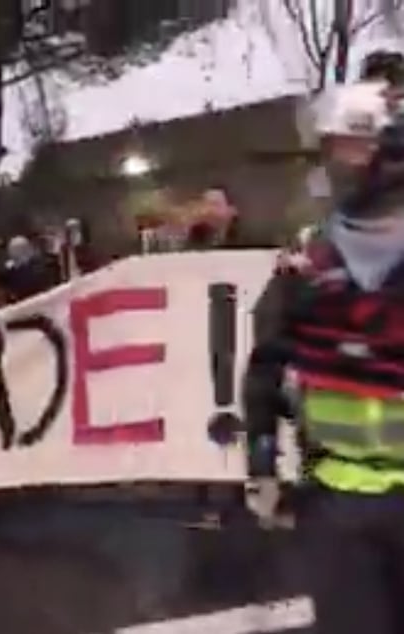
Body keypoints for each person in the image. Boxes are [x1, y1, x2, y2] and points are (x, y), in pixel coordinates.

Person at [243, 56, 404, 633]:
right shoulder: (311, 259)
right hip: (336, 499)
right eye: (330, 149)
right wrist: (261, 461)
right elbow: (266, 361)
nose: (336, 165)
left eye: (349, 149)